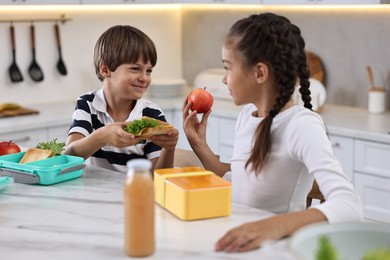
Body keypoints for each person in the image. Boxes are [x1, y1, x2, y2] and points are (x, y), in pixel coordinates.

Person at [182, 13, 363, 253]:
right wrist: (199, 146)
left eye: (227, 68)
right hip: (242, 241)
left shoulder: (302, 125)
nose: (224, 79)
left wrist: (273, 226)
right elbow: (241, 185)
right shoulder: (247, 116)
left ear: (259, 73)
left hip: (276, 250)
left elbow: (350, 206)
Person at [64, 25, 178, 173]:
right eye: (135, 69)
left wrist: (169, 148)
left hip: (137, 189)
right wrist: (102, 137)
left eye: (148, 71)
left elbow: (158, 176)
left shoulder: (151, 113)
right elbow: (69, 155)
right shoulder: (87, 104)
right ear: (105, 70)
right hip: (97, 192)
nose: (144, 78)